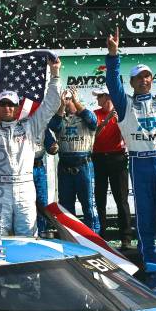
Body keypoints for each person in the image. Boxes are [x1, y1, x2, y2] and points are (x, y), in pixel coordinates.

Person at [105, 28, 156, 293]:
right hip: (140, 164)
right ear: (131, 83)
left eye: (147, 76)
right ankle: (151, 272)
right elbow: (112, 83)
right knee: (146, 222)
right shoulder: (124, 103)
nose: (144, 80)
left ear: (152, 79)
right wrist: (113, 54)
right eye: (139, 78)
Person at [0, 52, 61, 236]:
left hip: (25, 186)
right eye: (3, 104)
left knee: (27, 235)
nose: (7, 107)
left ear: (17, 108)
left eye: (11, 104)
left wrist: (55, 74)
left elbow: (51, 104)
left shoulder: (30, 126)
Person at [48, 87, 100, 233]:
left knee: (89, 204)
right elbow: (53, 126)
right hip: (65, 166)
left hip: (83, 165)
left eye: (69, 99)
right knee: (66, 205)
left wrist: (76, 102)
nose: (67, 101)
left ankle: (94, 236)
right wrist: (62, 106)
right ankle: (70, 235)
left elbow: (93, 121)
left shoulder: (86, 117)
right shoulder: (59, 119)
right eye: (65, 100)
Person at [92, 87, 132, 250]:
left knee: (121, 200)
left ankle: (126, 238)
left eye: (100, 96)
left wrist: (121, 122)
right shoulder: (94, 114)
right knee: (100, 199)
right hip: (98, 158)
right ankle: (101, 237)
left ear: (108, 97)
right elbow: (92, 135)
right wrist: (107, 120)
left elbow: (130, 134)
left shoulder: (122, 112)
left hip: (118, 158)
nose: (97, 99)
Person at [34, 129, 58, 235]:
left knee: (41, 203)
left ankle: (41, 231)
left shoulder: (42, 125)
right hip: (20, 170)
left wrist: (54, 148)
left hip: (37, 166)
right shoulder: (16, 124)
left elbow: (51, 148)